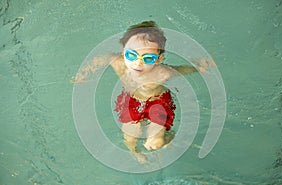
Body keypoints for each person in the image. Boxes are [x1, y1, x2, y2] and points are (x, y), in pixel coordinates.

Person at [71, 21, 215, 162]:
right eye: (132, 55)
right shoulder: (119, 63)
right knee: (130, 137)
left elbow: (183, 70)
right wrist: (85, 73)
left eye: (148, 58)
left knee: (155, 142)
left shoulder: (163, 73)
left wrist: (199, 68)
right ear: (123, 52)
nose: (138, 63)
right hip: (132, 100)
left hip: (158, 102)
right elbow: (102, 58)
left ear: (159, 59)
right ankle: (135, 153)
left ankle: (166, 138)